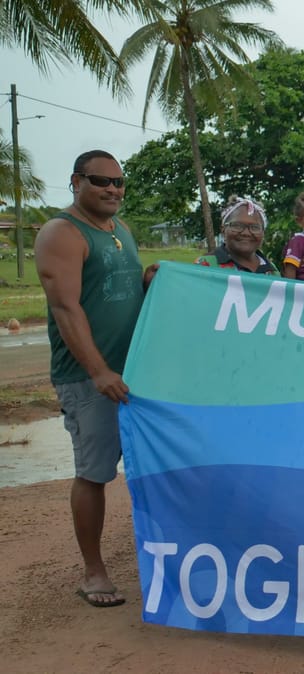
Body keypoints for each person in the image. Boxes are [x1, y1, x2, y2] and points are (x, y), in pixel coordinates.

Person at [33, 150, 156, 608]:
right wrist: (98, 370)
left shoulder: (118, 229)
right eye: (101, 181)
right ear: (76, 181)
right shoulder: (61, 233)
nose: (112, 190)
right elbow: (67, 307)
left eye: (119, 183)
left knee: (145, 468)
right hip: (91, 379)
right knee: (94, 472)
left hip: (134, 374)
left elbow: (117, 289)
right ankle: (94, 572)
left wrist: (150, 279)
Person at [194, 196, 278, 274]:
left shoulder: (272, 271)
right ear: (223, 230)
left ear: (263, 232)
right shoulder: (205, 266)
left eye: (255, 227)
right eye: (237, 226)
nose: (246, 233)